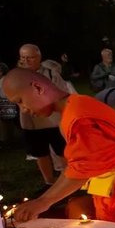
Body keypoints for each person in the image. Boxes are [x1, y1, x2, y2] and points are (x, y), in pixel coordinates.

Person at [3, 68, 115, 228]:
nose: (23, 109)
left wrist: (43, 202)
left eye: (20, 101)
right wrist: (43, 200)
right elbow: (76, 166)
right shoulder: (75, 106)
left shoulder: (78, 116)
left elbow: (82, 169)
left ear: (38, 88)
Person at [17, 44, 69, 187]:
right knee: (40, 153)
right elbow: (11, 94)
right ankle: (49, 182)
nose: (26, 61)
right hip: (31, 123)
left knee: (62, 151)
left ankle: (67, 180)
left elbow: (62, 92)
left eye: (30, 58)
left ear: (39, 57)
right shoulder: (17, 75)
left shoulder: (51, 74)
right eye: (23, 58)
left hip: (52, 121)